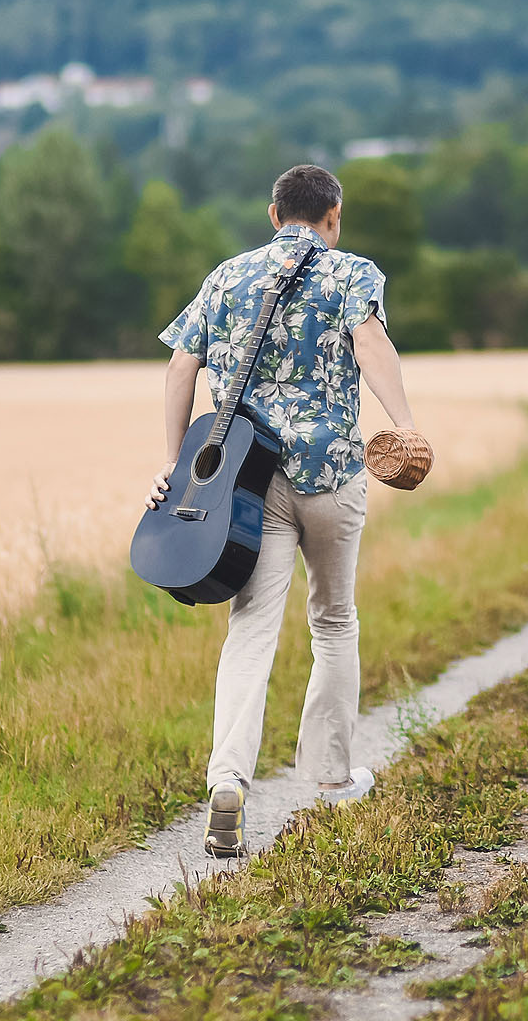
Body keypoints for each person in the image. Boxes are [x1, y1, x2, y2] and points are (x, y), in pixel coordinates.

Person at [146, 163, 418, 858]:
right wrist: (405, 424)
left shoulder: (226, 277)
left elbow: (181, 366)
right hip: (331, 473)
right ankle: (331, 777)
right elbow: (372, 346)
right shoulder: (352, 273)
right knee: (334, 619)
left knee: (252, 628)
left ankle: (227, 781)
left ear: (273, 214)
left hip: (251, 481)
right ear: (333, 217)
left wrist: (176, 463)